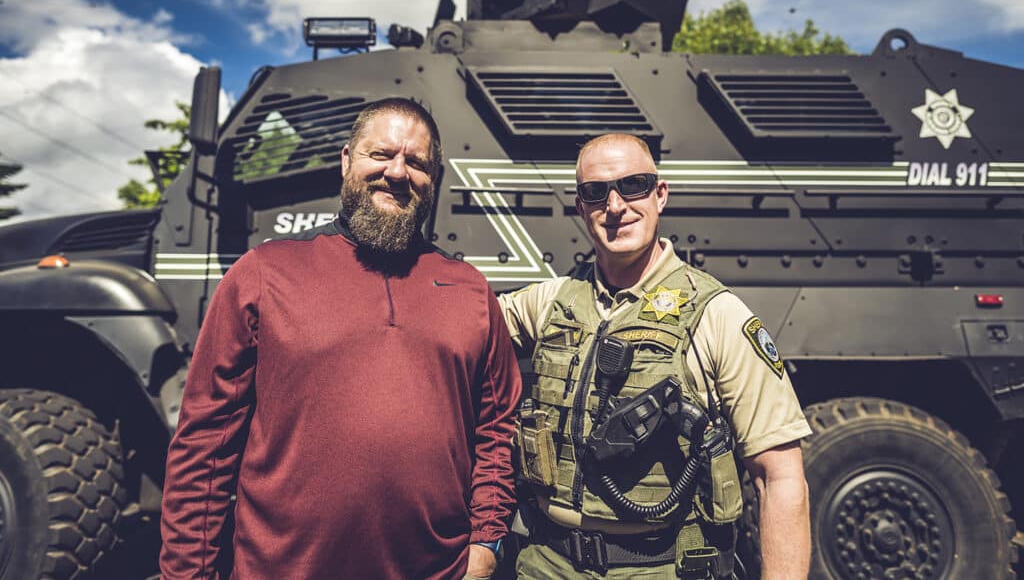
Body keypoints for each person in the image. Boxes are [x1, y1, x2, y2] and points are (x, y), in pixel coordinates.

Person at [160, 98, 522, 580]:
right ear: (347, 160)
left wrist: (487, 542)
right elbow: (204, 444)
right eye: (381, 154)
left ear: (432, 180)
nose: (397, 172)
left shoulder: (470, 288)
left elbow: (497, 427)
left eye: (416, 163)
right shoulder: (265, 273)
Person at [499, 133, 811, 579]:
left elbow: (778, 477)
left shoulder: (716, 314)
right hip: (547, 563)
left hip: (661, 568)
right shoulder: (552, 302)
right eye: (595, 192)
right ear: (580, 207)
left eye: (634, 186)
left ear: (659, 194)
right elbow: (463, 322)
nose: (616, 205)